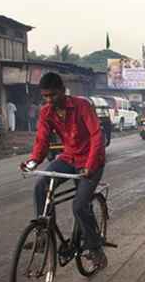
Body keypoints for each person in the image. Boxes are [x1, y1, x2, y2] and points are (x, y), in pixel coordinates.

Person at [19, 72, 108, 268]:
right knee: (41, 185)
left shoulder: (82, 106)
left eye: (53, 95)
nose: (49, 100)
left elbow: (96, 136)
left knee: (79, 206)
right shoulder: (46, 112)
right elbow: (42, 141)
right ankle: (44, 234)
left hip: (91, 161)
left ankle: (94, 248)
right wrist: (33, 162)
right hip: (68, 158)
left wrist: (90, 166)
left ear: (62, 91)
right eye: (45, 96)